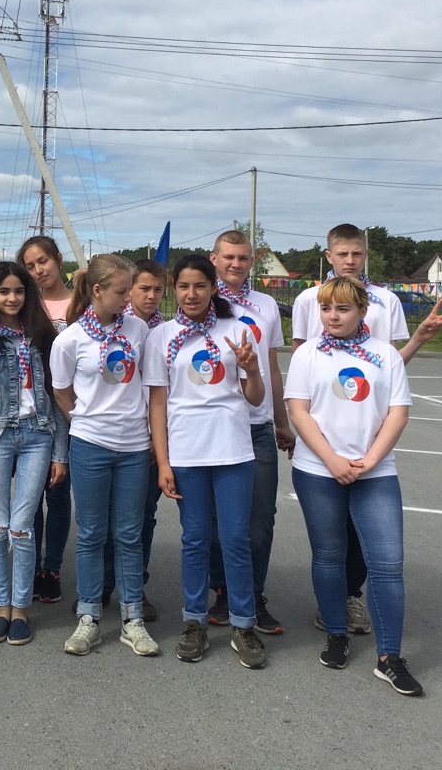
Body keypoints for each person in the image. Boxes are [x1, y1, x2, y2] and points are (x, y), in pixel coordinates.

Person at [290, 223, 442, 635]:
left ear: (365, 255)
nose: (349, 260)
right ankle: (333, 608)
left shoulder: (385, 301)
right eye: (342, 254)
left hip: (367, 432)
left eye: (356, 253)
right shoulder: (310, 299)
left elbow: (387, 366)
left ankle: (351, 596)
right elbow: (301, 374)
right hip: (324, 434)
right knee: (330, 541)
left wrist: (417, 339)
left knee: (366, 538)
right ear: (329, 256)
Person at [285, 276, 422, 696]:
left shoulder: (386, 355)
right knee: (329, 555)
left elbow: (397, 412)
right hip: (318, 470)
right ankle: (336, 634)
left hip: (373, 473)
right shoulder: (307, 354)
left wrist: (371, 459)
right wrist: (332, 460)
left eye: (342, 309)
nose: (332, 316)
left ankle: (389, 657)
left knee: (387, 562)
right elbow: (298, 411)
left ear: (363, 311)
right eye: (326, 309)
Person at [146, 254, 267, 667]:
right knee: (195, 539)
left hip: (233, 450)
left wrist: (252, 370)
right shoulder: (162, 336)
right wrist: (164, 462)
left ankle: (243, 625)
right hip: (186, 452)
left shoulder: (237, 330)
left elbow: (255, 399)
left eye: (200, 285)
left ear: (214, 287)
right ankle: (194, 620)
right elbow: (158, 403)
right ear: (174, 289)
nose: (191, 294)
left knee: (235, 539)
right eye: (183, 286)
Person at [51, 254, 158, 658]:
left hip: (134, 447)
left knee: (129, 533)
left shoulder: (139, 329)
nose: (129, 298)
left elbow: (149, 384)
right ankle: (89, 617)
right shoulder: (70, 340)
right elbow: (61, 391)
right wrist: (84, 420)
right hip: (90, 445)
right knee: (92, 533)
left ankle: (133, 620)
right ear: (97, 291)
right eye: (122, 291)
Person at [0, 262, 66, 646]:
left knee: (23, 526)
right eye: (4, 291)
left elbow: (56, 397)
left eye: (19, 291)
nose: (12, 298)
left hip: (38, 434)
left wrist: (61, 453)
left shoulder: (43, 336)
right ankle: (0, 608)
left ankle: (21, 609)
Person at [206, 231, 296, 635]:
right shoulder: (203, 300)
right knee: (216, 518)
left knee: (260, 517)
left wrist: (281, 420)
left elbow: (272, 367)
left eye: (243, 257)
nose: (235, 264)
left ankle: (254, 595)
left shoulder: (265, 306)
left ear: (252, 261)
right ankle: (224, 592)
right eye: (228, 257)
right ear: (214, 258)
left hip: (256, 425)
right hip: (214, 423)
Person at [101, 259, 168, 620]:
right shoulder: (111, 326)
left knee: (142, 517)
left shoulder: (167, 331)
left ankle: (135, 588)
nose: (151, 296)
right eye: (144, 288)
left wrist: (161, 442)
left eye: (158, 289)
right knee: (106, 517)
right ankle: (101, 586)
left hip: (150, 439)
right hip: (112, 435)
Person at [19, 235, 74, 602]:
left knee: (58, 492)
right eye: (30, 266)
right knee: (33, 493)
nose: (39, 270)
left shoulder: (80, 303)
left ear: (58, 259)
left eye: (43, 261)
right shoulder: (25, 306)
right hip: (33, 411)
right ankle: (32, 566)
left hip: (69, 409)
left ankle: (52, 568)